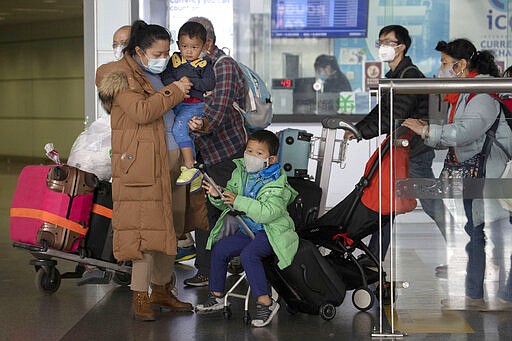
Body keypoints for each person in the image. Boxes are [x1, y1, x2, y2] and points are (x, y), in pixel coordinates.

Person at [402, 38, 512, 310]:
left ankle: (503, 296)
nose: (441, 70)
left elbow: (463, 133)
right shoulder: (464, 94)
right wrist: (429, 132)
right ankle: (474, 295)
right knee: (475, 233)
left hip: (491, 176)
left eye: (445, 64)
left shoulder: (482, 95)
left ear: (462, 65)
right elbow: (456, 136)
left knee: (493, 236)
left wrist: (428, 131)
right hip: (475, 175)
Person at [95, 20, 194, 321]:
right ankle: (140, 295)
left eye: (167, 51)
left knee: (170, 228)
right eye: (158, 52)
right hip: (141, 164)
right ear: (139, 50)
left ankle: (162, 289)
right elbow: (141, 112)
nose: (164, 57)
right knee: (143, 232)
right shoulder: (116, 75)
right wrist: (175, 91)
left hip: (171, 155)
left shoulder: (160, 72)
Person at [344, 25, 453, 266]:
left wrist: (361, 132)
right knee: (386, 207)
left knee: (431, 205)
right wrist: (356, 129)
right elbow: (380, 111)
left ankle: (462, 253)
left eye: (388, 42)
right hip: (402, 151)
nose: (383, 46)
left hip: (414, 153)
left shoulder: (410, 75)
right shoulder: (396, 74)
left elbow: (395, 114)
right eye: (380, 42)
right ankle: (373, 259)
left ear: (402, 46)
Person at [195, 130, 299, 327]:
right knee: (221, 248)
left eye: (259, 153)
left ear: (272, 158)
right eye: (249, 150)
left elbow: (268, 213)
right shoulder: (241, 171)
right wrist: (218, 195)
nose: (251, 156)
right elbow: (230, 201)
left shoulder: (277, 182)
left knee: (249, 256)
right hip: (248, 230)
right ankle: (216, 296)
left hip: (271, 233)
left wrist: (238, 200)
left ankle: (265, 302)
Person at [184, 16, 248, 287]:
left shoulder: (224, 67)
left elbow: (217, 113)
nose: (188, 52)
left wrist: (193, 125)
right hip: (205, 155)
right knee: (204, 209)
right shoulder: (196, 67)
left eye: (194, 46)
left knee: (222, 210)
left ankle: (214, 270)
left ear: (208, 43)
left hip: (226, 154)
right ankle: (208, 268)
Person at [162, 21, 215, 187]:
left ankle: (188, 165)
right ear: (178, 45)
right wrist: (177, 83)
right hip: (176, 103)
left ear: (204, 46)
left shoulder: (204, 64)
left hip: (193, 105)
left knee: (179, 128)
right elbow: (166, 78)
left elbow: (209, 84)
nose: (189, 51)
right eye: (185, 46)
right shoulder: (174, 60)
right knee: (184, 134)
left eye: (194, 47)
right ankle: (194, 173)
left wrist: (190, 81)